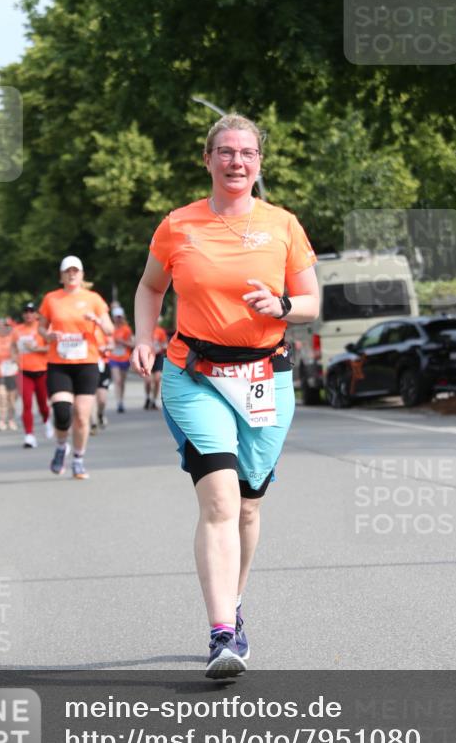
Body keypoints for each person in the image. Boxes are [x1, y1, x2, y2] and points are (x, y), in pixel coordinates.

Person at [131, 114, 319, 679]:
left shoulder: (283, 225)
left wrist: (282, 307)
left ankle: (233, 607)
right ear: (208, 159)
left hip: (265, 379)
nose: (238, 162)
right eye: (226, 152)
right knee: (217, 502)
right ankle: (220, 635)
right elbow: (149, 286)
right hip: (196, 376)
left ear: (260, 162)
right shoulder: (178, 225)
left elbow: (310, 301)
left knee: (247, 505)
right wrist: (144, 337)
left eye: (248, 153)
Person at [38, 255, 114, 479]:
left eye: (76, 270)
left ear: (82, 275)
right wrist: (49, 334)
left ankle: (78, 459)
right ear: (61, 276)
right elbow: (41, 329)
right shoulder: (51, 299)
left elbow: (109, 330)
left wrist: (98, 320)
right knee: (62, 413)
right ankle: (62, 446)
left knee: (81, 415)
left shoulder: (93, 299)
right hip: (59, 363)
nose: (72, 274)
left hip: (87, 362)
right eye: (67, 271)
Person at [11, 301, 53, 448]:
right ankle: (29, 435)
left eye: (31, 311)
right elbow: (13, 348)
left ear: (36, 314)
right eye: (26, 311)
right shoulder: (17, 330)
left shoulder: (42, 329)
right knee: (26, 404)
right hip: (24, 372)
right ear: (23, 314)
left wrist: (36, 349)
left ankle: (47, 421)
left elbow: (50, 347)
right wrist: (15, 359)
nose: (29, 314)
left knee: (43, 404)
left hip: (41, 371)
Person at [0, 317, 18, 431]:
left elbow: (18, 352)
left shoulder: (13, 338)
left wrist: (14, 358)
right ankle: (2, 420)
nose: (1, 328)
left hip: (11, 370)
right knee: (2, 396)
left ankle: (11, 420)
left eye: (3, 326)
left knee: (11, 398)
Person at [109, 307, 134, 413]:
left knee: (122, 382)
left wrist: (122, 342)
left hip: (124, 358)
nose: (118, 319)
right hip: (113, 357)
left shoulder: (126, 329)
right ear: (113, 317)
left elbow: (132, 344)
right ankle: (118, 402)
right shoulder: (110, 328)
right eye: (116, 317)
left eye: (120, 317)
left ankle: (122, 400)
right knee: (117, 380)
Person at [143, 318, 168, 409]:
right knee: (148, 380)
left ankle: (154, 400)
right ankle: (147, 398)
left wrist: (162, 346)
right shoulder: (145, 330)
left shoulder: (160, 331)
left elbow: (165, 344)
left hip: (158, 356)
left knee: (157, 379)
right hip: (147, 356)